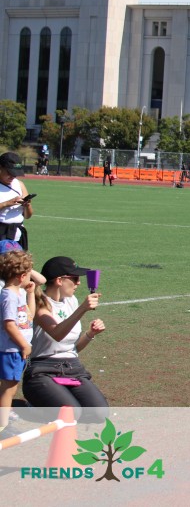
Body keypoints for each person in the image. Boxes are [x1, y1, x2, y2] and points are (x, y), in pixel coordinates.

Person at [22, 256, 108, 423]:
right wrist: (82, 309)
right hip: (43, 370)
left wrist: (90, 334)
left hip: (72, 368)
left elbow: (71, 348)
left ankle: (56, 400)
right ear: (59, 280)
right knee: (71, 413)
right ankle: (30, 406)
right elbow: (57, 334)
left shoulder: (71, 301)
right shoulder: (38, 303)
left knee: (99, 414)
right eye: (74, 278)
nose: (79, 283)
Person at [0, 250, 35, 437]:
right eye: (29, 273)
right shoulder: (9, 296)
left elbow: (30, 316)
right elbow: (9, 324)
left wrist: (30, 294)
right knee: (9, 388)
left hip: (17, 349)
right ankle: (2, 426)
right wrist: (24, 345)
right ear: (22, 276)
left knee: (10, 386)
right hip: (12, 349)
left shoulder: (18, 293)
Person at [0, 152, 33, 250]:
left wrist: (27, 206)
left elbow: (28, 216)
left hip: (17, 235)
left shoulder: (19, 184)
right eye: (9, 173)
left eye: (15, 174)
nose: (12, 176)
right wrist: (6, 203)